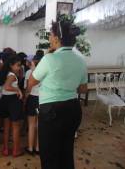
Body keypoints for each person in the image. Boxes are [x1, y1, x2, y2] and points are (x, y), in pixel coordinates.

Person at [27, 18, 87, 169]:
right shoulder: (80, 59)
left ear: (57, 38)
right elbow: (83, 89)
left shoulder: (49, 58)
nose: (49, 37)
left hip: (52, 112)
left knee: (49, 155)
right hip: (73, 109)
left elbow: (31, 82)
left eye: (51, 34)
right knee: (66, 151)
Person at [0, 54, 23, 157]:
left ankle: (6, 149)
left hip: (4, 101)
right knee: (15, 127)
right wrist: (18, 90)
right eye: (18, 65)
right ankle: (16, 150)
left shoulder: (5, 73)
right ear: (11, 65)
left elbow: (4, 87)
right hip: (13, 101)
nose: (19, 67)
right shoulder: (12, 75)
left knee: (6, 126)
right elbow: (7, 87)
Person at [24, 54, 43, 156]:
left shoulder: (30, 73)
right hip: (42, 100)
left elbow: (28, 88)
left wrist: (25, 98)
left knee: (31, 125)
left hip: (32, 98)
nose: (29, 65)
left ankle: (30, 148)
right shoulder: (45, 73)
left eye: (31, 63)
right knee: (39, 125)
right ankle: (38, 148)